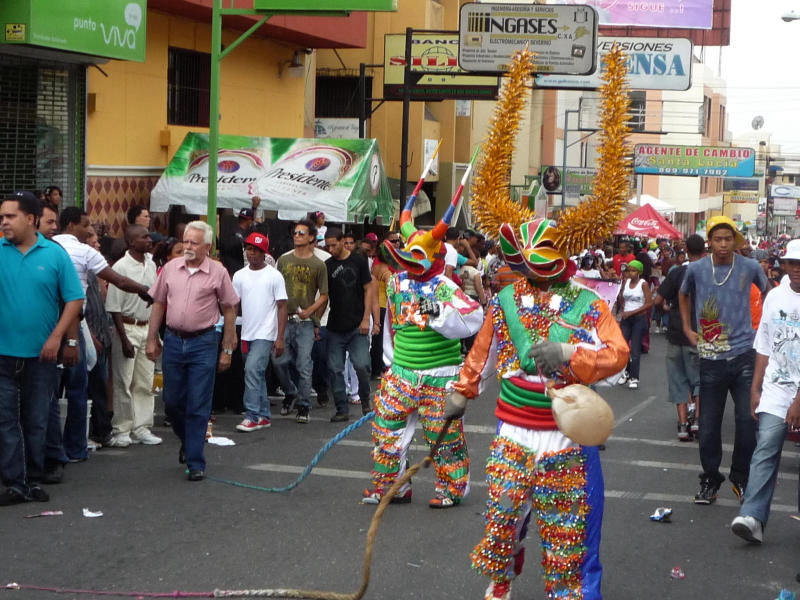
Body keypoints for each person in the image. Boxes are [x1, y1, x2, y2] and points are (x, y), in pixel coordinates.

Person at [362, 185, 483, 508]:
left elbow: (474, 318)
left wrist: (439, 313)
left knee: (442, 437)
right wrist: (391, 359)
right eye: (406, 257)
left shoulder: (444, 287)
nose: (410, 264)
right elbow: (392, 323)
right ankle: (393, 487)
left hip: (438, 376)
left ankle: (452, 489)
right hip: (401, 371)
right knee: (386, 430)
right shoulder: (398, 281)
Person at [0, 191, 84, 504]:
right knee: (6, 420)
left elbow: (74, 299)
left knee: (35, 419)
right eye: (2, 217)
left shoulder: (55, 254)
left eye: (10, 216)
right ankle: (14, 482)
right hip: (3, 354)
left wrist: (58, 338)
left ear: (31, 219)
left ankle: (33, 478)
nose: (4, 222)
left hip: (41, 356)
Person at [679, 216, 768, 505]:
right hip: (710, 358)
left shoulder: (750, 267)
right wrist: (688, 328)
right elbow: (682, 295)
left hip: (744, 355)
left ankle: (741, 478)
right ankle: (710, 480)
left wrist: (764, 329)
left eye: (728, 239)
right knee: (708, 424)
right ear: (710, 242)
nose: (723, 244)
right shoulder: (696, 269)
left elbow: (769, 292)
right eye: (717, 239)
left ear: (735, 241)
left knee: (746, 419)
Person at [53, 207, 153, 463]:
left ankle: (49, 450)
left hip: (48, 326)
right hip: (75, 325)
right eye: (86, 224)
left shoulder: (45, 247)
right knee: (77, 389)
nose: (90, 230)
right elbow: (118, 280)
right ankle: (75, 449)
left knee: (50, 393)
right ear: (72, 224)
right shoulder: (83, 251)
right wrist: (145, 291)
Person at [146, 221, 239, 481]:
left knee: (198, 403)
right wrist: (151, 339)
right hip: (174, 341)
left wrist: (228, 348)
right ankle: (189, 441)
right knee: (172, 403)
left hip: (204, 342)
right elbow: (158, 304)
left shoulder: (218, 272)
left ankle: (196, 461)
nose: (187, 246)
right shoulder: (170, 269)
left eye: (194, 243)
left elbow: (230, 308)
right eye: (185, 241)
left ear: (207, 247)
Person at [731, 239, 800, 544]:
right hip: (775, 387)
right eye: (793, 264)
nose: (797, 270)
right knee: (765, 448)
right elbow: (764, 344)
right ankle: (753, 517)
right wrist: (755, 387)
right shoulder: (774, 296)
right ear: (784, 265)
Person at [105, 225, 161, 447]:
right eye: (144, 237)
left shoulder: (151, 262)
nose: (149, 240)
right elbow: (114, 307)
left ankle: (142, 427)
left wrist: (154, 334)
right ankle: (122, 428)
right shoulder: (121, 266)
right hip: (126, 327)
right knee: (123, 381)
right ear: (131, 243)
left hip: (146, 326)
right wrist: (124, 338)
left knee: (145, 381)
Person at [273, 219, 329, 424]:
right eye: (295, 233)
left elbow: (324, 295)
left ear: (311, 237)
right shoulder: (284, 260)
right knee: (278, 360)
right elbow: (275, 289)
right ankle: (290, 391)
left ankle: (304, 405)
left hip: (304, 322)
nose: (297, 236)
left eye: (301, 233)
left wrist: (311, 314)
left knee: (304, 364)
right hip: (283, 319)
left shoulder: (319, 264)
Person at [231, 232, 287, 432]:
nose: (251, 253)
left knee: (252, 370)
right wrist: (232, 333)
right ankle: (263, 415)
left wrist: (279, 337)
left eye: (256, 250)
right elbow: (233, 306)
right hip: (247, 332)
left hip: (266, 333)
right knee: (256, 374)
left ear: (264, 253)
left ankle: (252, 415)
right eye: (249, 249)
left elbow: (282, 306)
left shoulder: (274, 276)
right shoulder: (239, 275)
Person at [324, 227, 379, 422]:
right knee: (335, 367)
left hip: (357, 324)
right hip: (335, 325)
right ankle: (341, 408)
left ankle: (365, 398)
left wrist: (368, 319)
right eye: (327, 245)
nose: (330, 249)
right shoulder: (327, 265)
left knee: (362, 364)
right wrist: (316, 320)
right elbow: (324, 296)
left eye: (333, 244)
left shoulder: (358, 260)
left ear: (342, 241)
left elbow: (369, 289)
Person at [654, 234, 704, 441]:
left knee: (678, 380)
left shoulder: (676, 273)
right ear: (704, 251)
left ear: (686, 251)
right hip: (700, 333)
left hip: (676, 333)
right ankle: (698, 422)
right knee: (701, 380)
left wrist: (668, 308)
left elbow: (658, 300)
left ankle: (683, 425)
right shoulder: (709, 274)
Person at [616, 259, 652, 390]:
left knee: (635, 349)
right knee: (623, 348)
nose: (630, 273)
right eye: (629, 270)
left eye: (633, 270)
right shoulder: (625, 283)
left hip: (638, 320)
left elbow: (649, 303)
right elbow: (622, 298)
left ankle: (634, 377)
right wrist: (621, 300)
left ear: (639, 272)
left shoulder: (643, 284)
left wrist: (631, 312)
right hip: (626, 319)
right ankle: (626, 372)